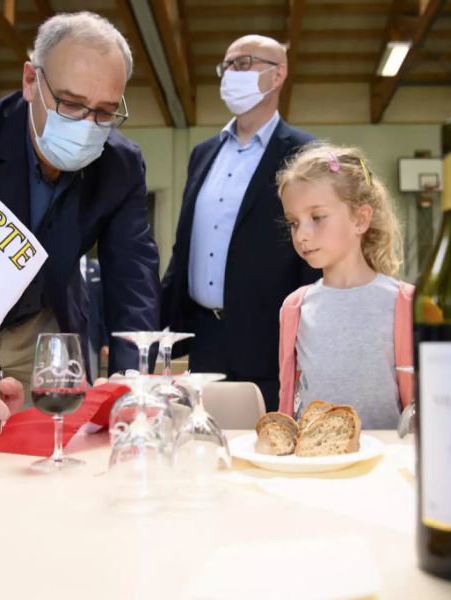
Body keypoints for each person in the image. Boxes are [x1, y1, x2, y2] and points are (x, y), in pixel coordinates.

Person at [0, 12, 160, 430]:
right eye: (70, 104)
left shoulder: (120, 165)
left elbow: (133, 273)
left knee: (52, 448)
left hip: (45, 324)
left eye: (105, 112)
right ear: (31, 81)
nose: (87, 126)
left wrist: (131, 378)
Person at [162, 35, 318, 410]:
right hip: (205, 338)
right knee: (205, 447)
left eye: (244, 63)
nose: (231, 73)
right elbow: (184, 247)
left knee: (265, 448)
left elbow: (311, 255)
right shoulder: (203, 154)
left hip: (268, 338)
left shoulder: (304, 153)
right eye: (227, 65)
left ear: (278, 74)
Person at [276, 144, 414, 428]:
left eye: (317, 217)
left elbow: (422, 406)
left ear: (360, 219)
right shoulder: (295, 307)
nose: (302, 235)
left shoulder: (404, 302)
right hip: (317, 463)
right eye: (293, 223)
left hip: (385, 462)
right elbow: (288, 401)